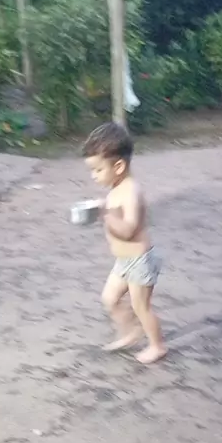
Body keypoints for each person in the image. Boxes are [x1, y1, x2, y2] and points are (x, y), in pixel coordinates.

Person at [82, 121, 166, 365]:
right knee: (109, 299)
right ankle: (130, 332)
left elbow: (129, 230)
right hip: (124, 261)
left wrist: (105, 214)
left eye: (98, 170)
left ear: (118, 166)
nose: (94, 176)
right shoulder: (116, 187)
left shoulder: (130, 191)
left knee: (141, 307)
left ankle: (157, 346)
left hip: (140, 260)